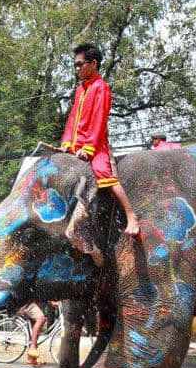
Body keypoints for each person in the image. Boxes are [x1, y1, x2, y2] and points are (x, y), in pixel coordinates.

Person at [59, 43, 140, 236]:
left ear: (93, 63)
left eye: (80, 64)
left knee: (103, 173)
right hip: (76, 145)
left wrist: (89, 149)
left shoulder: (101, 88)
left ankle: (131, 215)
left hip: (95, 146)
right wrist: (67, 142)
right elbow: (72, 119)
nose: (77, 69)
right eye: (75, 65)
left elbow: (98, 120)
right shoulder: (80, 90)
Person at [17, 302, 47, 367]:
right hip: (25, 303)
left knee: (36, 328)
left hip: (29, 303)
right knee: (41, 319)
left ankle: (31, 358)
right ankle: (32, 347)